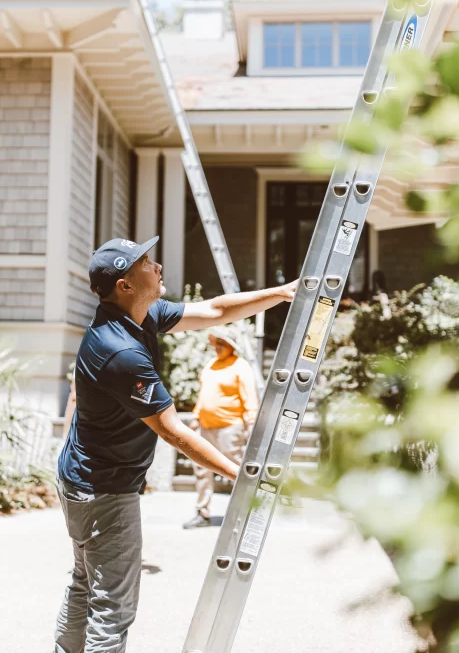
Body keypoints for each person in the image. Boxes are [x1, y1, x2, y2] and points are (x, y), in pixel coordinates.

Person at [54, 236, 296, 653]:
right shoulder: (120, 351)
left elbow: (216, 310)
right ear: (125, 285)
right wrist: (240, 475)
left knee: (85, 586)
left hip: (84, 479)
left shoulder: (140, 316)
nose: (158, 266)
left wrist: (281, 293)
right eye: (147, 263)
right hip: (104, 489)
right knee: (112, 608)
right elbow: (172, 430)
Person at [183, 326, 258, 529]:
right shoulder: (211, 365)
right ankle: (202, 513)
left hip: (230, 428)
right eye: (216, 343)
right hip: (206, 427)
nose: (217, 347)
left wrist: (252, 422)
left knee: (235, 471)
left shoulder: (241, 366)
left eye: (221, 343)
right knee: (201, 470)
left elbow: (250, 396)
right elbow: (204, 395)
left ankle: (243, 514)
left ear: (232, 346)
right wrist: (196, 417)